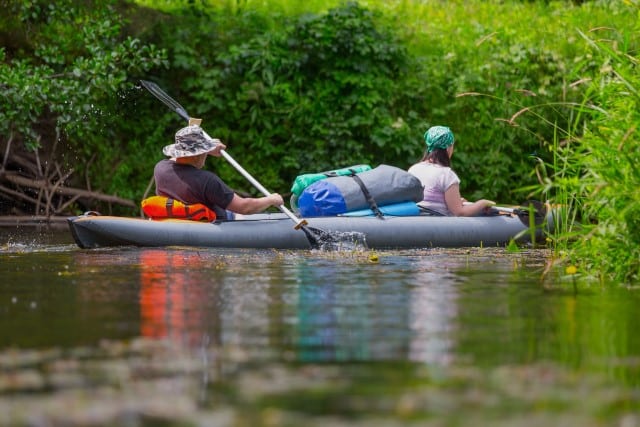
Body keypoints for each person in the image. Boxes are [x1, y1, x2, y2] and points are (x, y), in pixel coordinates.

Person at [153, 125, 283, 220]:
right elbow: (245, 207)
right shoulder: (207, 180)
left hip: (174, 221)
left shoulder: (161, 168)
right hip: (217, 224)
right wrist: (271, 200)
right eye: (204, 152)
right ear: (198, 154)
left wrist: (207, 149)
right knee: (240, 216)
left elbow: (178, 158)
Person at [408, 125, 494, 216]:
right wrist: (482, 203)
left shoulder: (413, 169)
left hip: (415, 222)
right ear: (448, 148)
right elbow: (460, 212)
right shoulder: (446, 174)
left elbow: (428, 201)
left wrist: (455, 201)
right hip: (437, 226)